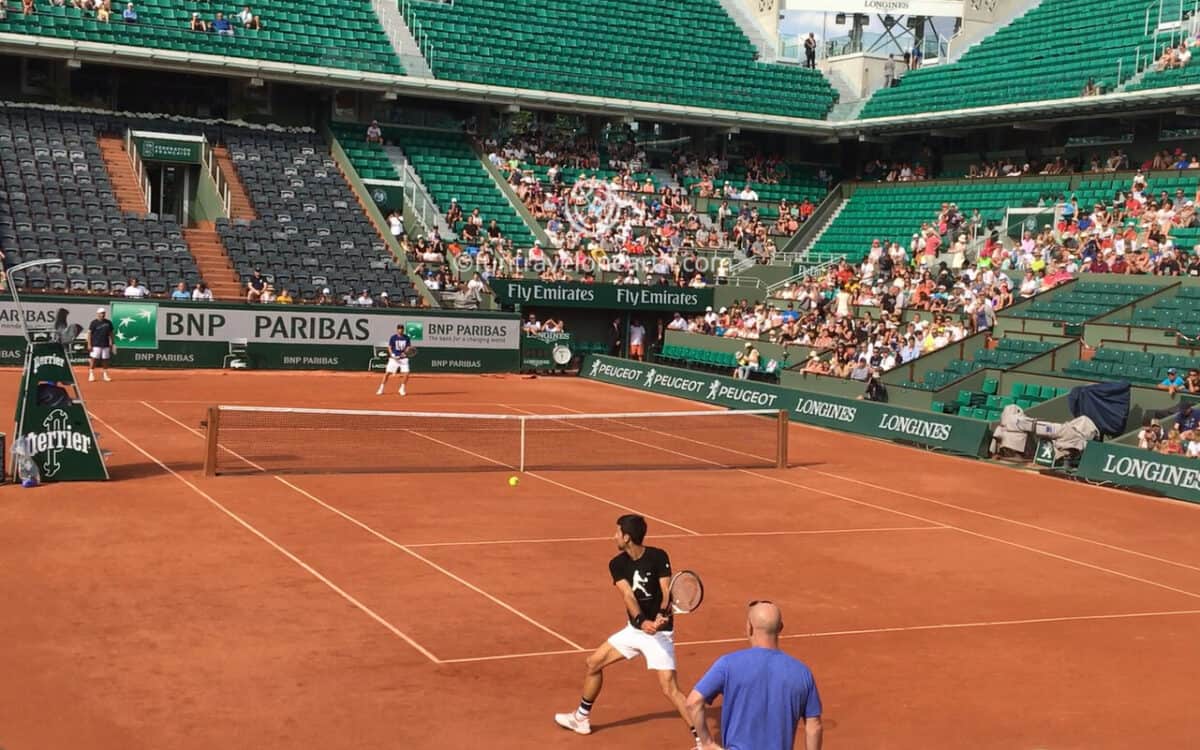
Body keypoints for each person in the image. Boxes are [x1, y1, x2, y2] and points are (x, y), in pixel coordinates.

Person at [555, 515, 699, 747]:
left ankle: (704, 741)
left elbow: (665, 591)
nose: (614, 536)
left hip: (660, 636)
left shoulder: (658, 556)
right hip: (634, 630)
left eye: (617, 532)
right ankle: (581, 719)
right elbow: (628, 595)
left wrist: (661, 615)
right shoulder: (617, 564)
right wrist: (642, 622)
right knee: (593, 663)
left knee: (670, 689)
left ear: (627, 537)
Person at [686, 602, 823, 750]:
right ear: (780, 628)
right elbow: (814, 726)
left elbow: (693, 703)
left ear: (749, 627)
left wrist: (707, 743)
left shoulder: (728, 664)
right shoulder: (802, 673)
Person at [376, 323, 413, 396]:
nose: (400, 330)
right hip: (394, 359)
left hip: (403, 359)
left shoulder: (407, 338)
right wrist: (392, 355)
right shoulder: (393, 337)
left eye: (401, 329)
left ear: (403, 330)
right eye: (399, 329)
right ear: (397, 330)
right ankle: (381, 388)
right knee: (387, 373)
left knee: (407, 373)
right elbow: (389, 347)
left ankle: (402, 388)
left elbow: (408, 347)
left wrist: (404, 353)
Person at [86, 308, 115, 382]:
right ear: (98, 314)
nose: (103, 314)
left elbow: (111, 333)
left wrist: (112, 343)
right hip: (95, 344)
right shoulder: (93, 323)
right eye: (101, 313)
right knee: (94, 359)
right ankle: (91, 374)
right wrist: (89, 344)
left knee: (105, 360)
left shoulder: (108, 322)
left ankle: (105, 375)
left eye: (104, 313)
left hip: (106, 344)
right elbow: (89, 334)